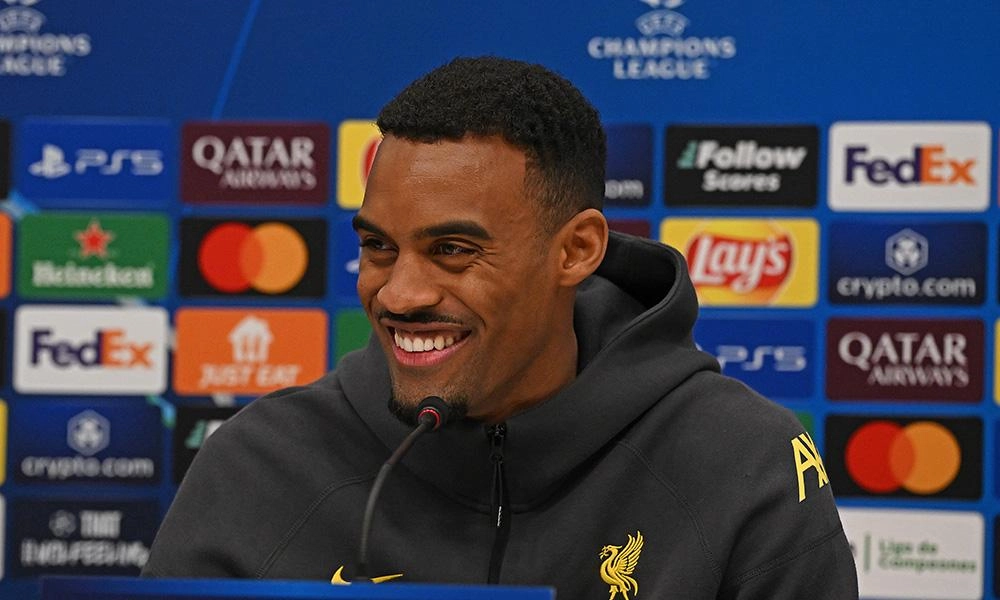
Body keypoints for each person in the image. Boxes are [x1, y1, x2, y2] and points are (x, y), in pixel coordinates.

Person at [143, 56, 858, 598]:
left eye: (453, 250)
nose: (401, 293)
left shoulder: (741, 463)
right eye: (379, 247)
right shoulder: (257, 465)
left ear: (576, 250)